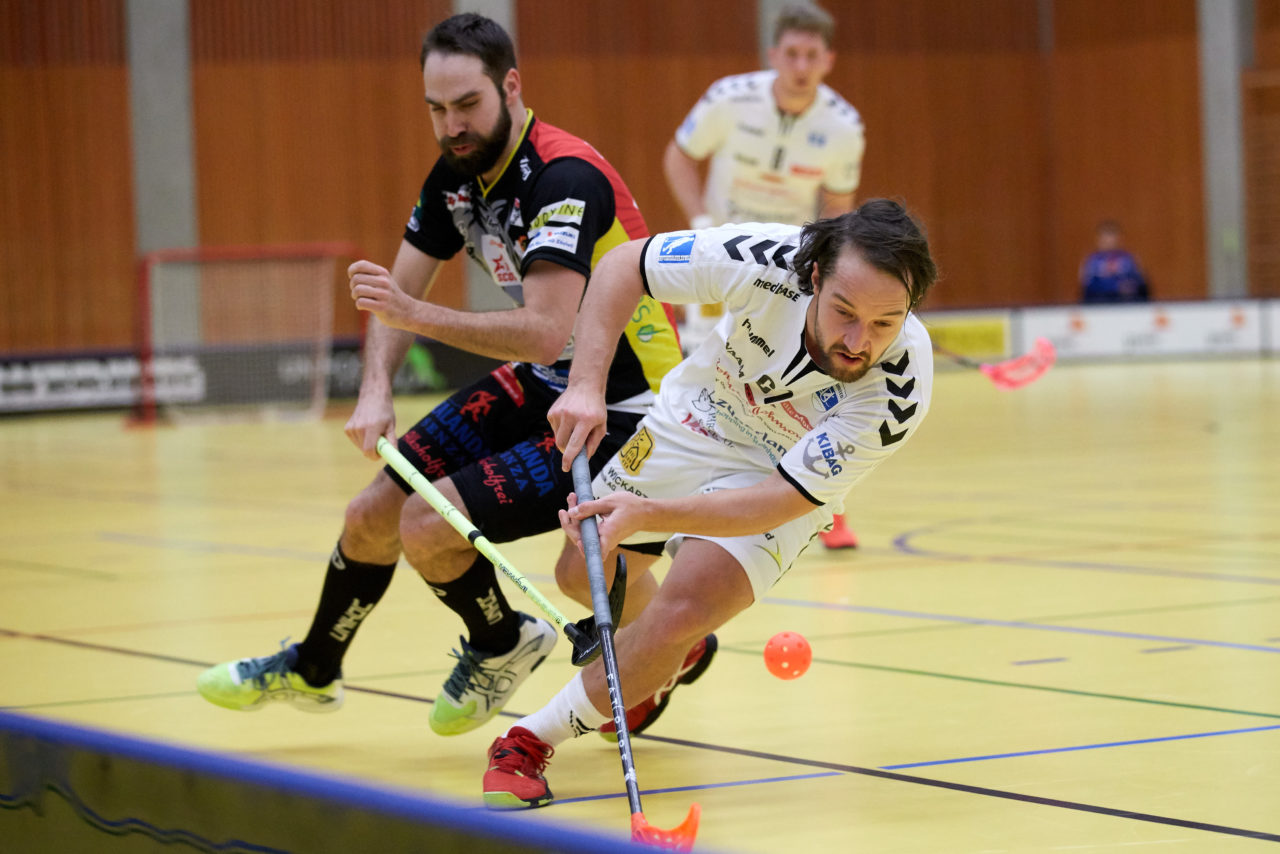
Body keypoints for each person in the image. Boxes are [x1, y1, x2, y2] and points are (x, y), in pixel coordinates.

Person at [195, 13, 716, 740]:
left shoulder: (563, 178)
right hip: (547, 382)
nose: (452, 126)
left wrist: (411, 314)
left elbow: (544, 328)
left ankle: (654, 641)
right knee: (372, 513)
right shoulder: (456, 177)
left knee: (510, 552)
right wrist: (375, 386)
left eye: (467, 105)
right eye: (436, 110)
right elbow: (394, 297)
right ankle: (318, 668)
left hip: (629, 405)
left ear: (511, 86)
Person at [479, 198, 938, 809]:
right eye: (844, 313)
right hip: (696, 421)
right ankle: (676, 652)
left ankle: (528, 740)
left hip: (778, 475)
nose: (858, 342)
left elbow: (776, 500)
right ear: (815, 276)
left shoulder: (900, 389)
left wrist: (648, 517)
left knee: (676, 611)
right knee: (582, 575)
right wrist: (586, 385)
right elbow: (623, 266)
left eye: (884, 323)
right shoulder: (764, 257)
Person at [663, 1, 866, 549]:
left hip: (791, 273)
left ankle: (827, 506)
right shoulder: (729, 99)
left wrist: (828, 272)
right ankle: (692, 503)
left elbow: (839, 209)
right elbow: (679, 158)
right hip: (716, 264)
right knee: (706, 381)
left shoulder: (843, 127)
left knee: (810, 388)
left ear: (828, 60)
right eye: (792, 53)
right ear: (775, 54)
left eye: (812, 55)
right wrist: (700, 222)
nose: (801, 65)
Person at [1079, 220, 1150, 303]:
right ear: (1098, 239)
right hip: (1099, 304)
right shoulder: (1092, 260)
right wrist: (1115, 287)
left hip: (1126, 303)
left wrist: (1131, 286)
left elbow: (1140, 281)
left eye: (1112, 236)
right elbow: (1088, 285)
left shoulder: (1128, 258)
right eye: (1105, 236)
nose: (1109, 241)